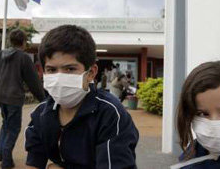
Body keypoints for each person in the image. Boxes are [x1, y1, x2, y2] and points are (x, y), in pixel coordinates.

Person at [25, 25, 139, 169]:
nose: (60, 77)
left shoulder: (110, 115)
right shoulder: (40, 114)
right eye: (52, 70)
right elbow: (33, 163)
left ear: (91, 72)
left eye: (70, 69)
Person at [0, 29, 45, 169]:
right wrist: (43, 98)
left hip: (1, 96)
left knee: (6, 124)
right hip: (14, 97)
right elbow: (33, 81)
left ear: (11, 41)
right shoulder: (23, 58)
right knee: (13, 128)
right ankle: (6, 160)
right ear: (23, 42)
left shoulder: (0, 54)